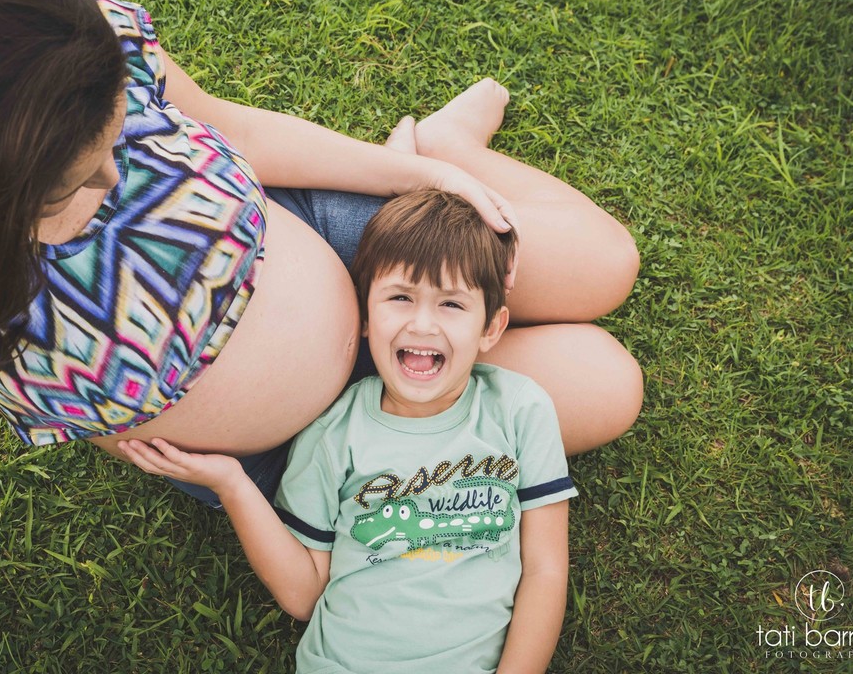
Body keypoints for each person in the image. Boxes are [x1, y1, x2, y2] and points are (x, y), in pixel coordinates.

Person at [0, 0, 640, 672]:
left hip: (331, 241)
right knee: (608, 384)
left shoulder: (73, 53)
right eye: (75, 185)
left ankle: (449, 141)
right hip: (297, 453)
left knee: (608, 265)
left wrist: (417, 174)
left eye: (116, 146)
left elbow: (235, 131)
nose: (113, 174)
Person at [121, 189, 574, 673]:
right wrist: (233, 485)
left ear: (491, 327)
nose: (423, 323)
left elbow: (546, 570)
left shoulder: (519, 409)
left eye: (451, 305)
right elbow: (303, 593)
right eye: (400, 298)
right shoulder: (333, 430)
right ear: (363, 316)